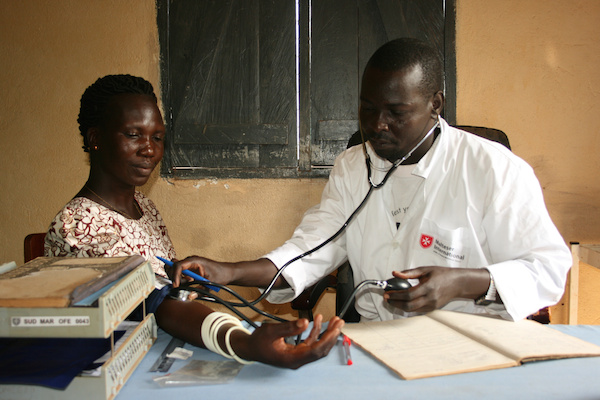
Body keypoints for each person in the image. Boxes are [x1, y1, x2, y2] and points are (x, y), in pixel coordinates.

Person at [173, 38, 572, 322]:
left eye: (396, 112)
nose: (377, 126)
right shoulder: (352, 167)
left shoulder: (495, 169)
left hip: (469, 347)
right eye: (367, 109)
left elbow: (549, 271)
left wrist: (464, 282)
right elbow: (310, 250)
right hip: (380, 345)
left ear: (435, 105)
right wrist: (227, 271)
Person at [44, 74, 344, 369]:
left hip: (160, 348)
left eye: (157, 137)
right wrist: (241, 341)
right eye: (133, 135)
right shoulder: (79, 224)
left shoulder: (143, 206)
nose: (149, 149)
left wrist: (185, 283)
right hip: (113, 366)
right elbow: (157, 306)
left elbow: (165, 293)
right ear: (95, 138)